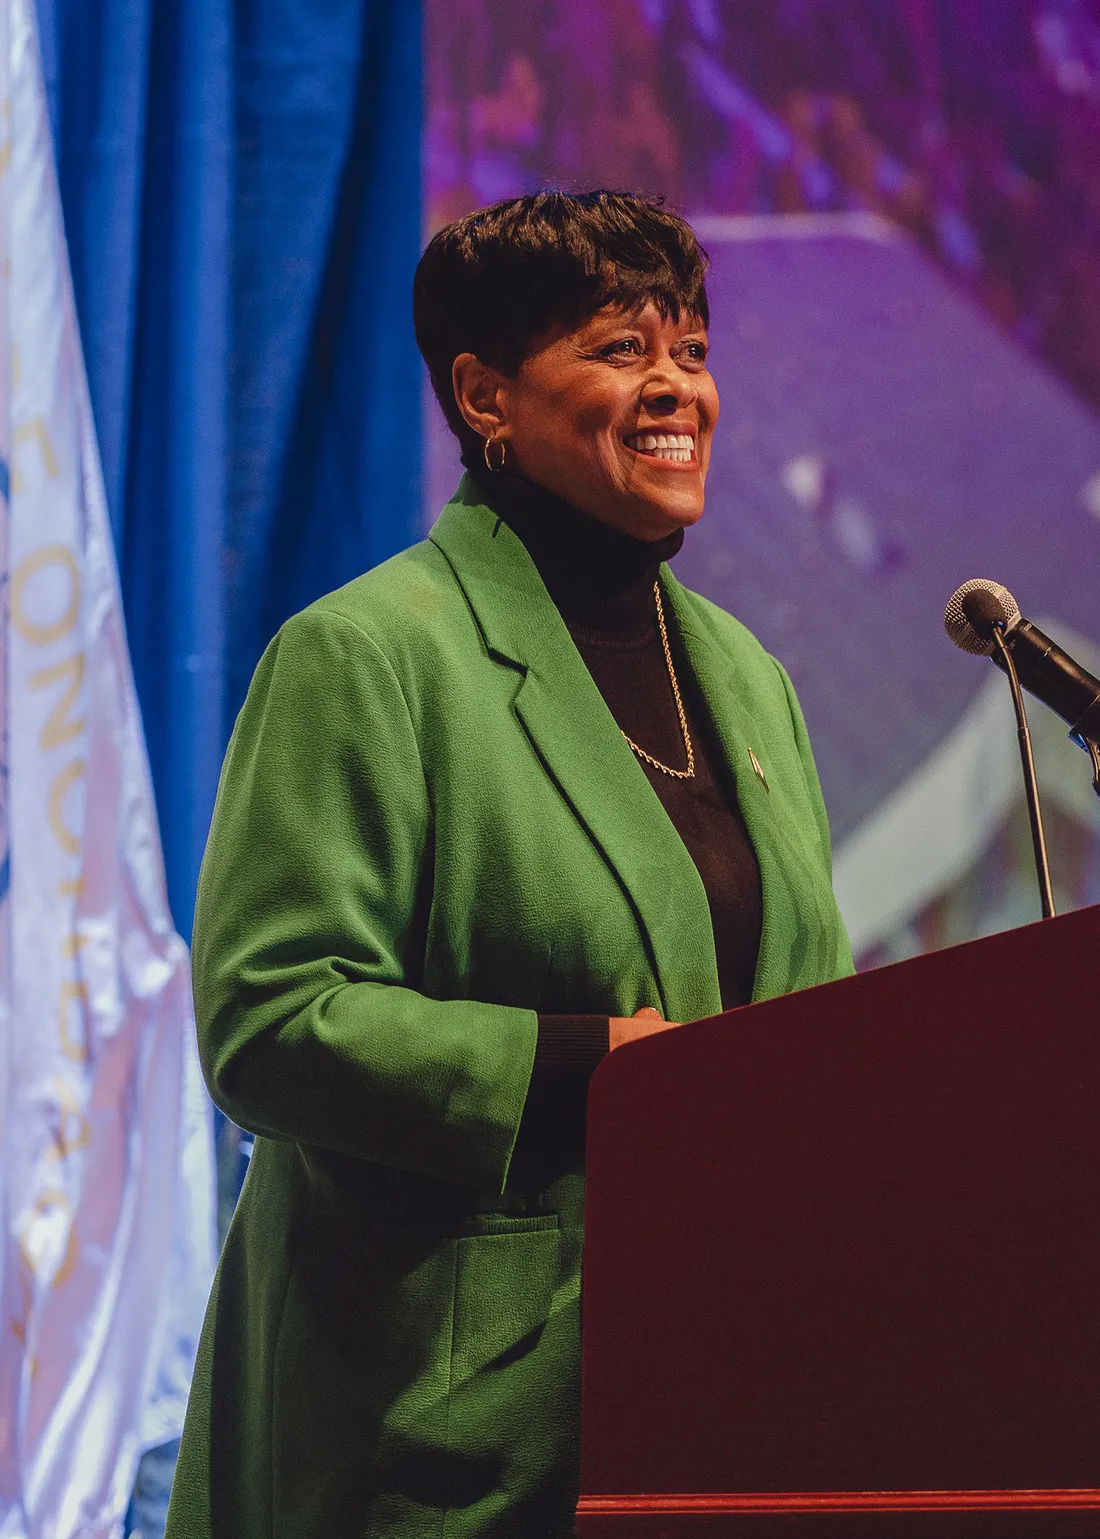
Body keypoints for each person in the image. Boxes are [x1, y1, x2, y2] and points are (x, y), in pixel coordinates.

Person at [165, 190, 854, 1539]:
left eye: (692, 349)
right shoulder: (366, 654)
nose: (678, 387)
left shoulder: (748, 679)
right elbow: (268, 1018)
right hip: (450, 1429)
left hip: (724, 1387)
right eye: (621, 348)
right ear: (486, 396)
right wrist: (590, 1066)